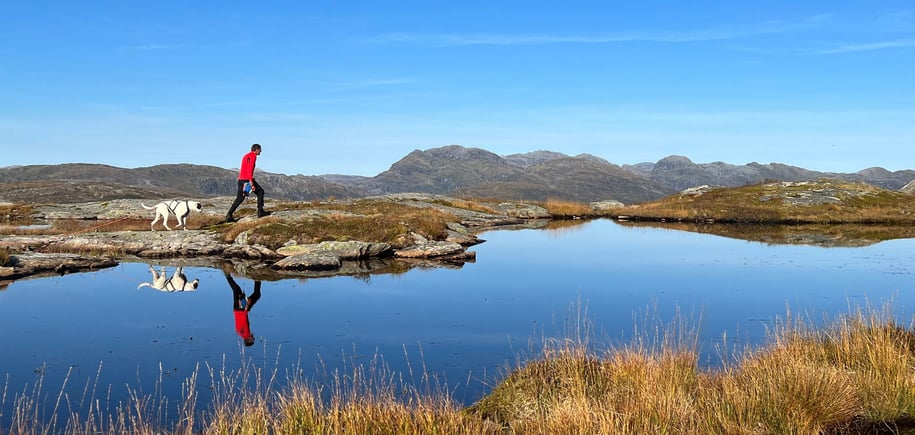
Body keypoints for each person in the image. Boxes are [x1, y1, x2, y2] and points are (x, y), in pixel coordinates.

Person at [225, 143, 270, 223]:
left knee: (239, 198)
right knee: (260, 192)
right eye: (260, 150)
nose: (261, 151)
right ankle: (260, 212)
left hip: (241, 179)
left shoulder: (246, 156)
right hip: (247, 180)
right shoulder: (253, 156)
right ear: (256, 150)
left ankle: (229, 214)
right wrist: (251, 182)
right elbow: (250, 169)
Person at [225, 273, 261, 347]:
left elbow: (243, 321)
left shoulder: (246, 333)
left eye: (253, 339)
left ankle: (257, 277)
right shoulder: (239, 333)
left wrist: (246, 307)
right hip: (237, 310)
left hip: (242, 309)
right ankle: (227, 275)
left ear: (249, 340)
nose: (253, 337)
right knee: (237, 290)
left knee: (238, 290)